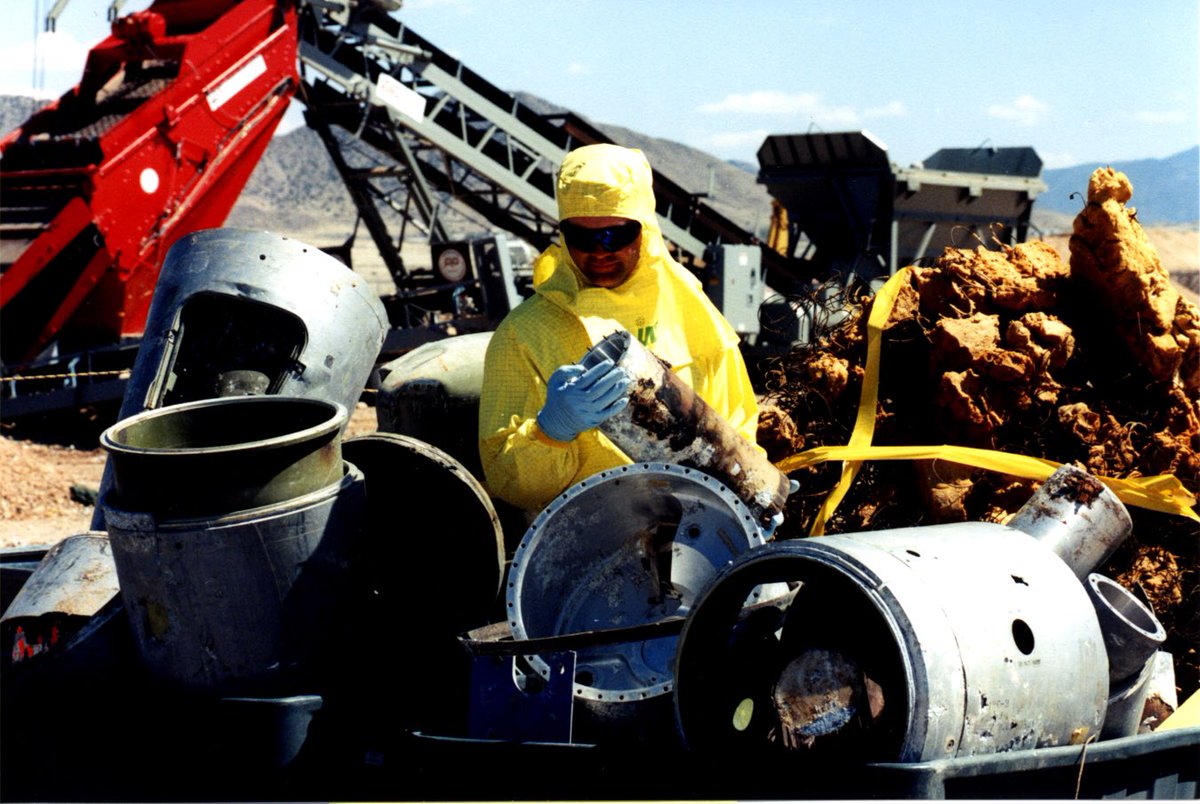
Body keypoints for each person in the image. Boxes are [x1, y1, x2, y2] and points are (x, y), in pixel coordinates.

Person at [477, 143, 761, 514]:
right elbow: (509, 481)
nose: (599, 251)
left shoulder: (690, 309)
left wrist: (755, 489)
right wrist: (551, 432)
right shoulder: (525, 332)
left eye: (616, 235)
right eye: (581, 237)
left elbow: (739, 424)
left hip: (697, 527)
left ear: (645, 230)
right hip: (588, 538)